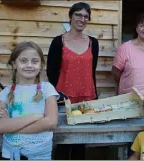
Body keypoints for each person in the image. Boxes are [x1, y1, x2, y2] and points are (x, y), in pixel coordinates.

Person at [46, 2, 99, 160]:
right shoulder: (58, 42)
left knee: (80, 144)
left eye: (85, 16)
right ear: (71, 16)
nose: (82, 19)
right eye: (78, 15)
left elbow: (91, 71)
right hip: (64, 99)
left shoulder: (93, 42)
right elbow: (51, 71)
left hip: (86, 99)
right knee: (63, 142)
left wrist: (94, 95)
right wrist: (60, 93)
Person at [0, 41, 59, 160]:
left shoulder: (47, 89)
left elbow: (51, 122)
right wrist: (37, 116)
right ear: (14, 64)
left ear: (41, 65)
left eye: (35, 61)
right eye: (23, 61)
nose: (29, 65)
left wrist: (11, 126)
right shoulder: (4, 94)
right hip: (11, 154)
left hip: (40, 154)